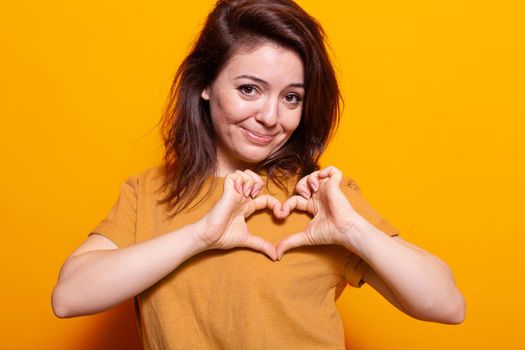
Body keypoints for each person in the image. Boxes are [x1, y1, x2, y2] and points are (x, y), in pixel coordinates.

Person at [52, 0, 466, 348]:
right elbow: (69, 296)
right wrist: (201, 235)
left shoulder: (319, 196)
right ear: (206, 84)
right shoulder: (150, 193)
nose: (270, 117)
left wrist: (354, 231)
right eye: (249, 89)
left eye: (291, 97)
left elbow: (447, 305)